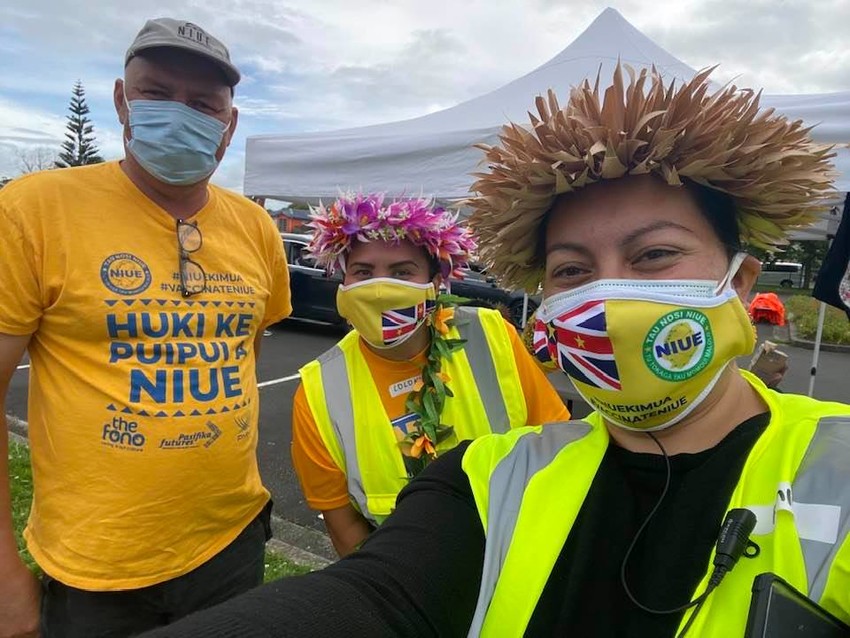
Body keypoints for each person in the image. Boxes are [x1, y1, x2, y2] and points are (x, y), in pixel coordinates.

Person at [143, 67, 850, 638]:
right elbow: (376, 592)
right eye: (572, 270)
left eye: (655, 254)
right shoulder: (488, 478)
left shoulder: (836, 470)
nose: (607, 294)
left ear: (740, 281)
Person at [0, 17, 291, 637]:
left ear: (229, 124)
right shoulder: (33, 210)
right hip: (96, 566)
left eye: (203, 103)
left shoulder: (256, 228)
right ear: (120, 100)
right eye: (156, 93)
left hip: (232, 543)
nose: (178, 113)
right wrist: (3, 578)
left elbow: (246, 356)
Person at [291, 192, 569, 556]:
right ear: (342, 282)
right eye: (362, 272)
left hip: (520, 554)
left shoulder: (492, 336)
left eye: (402, 272)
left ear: (435, 282)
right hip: (406, 581)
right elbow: (344, 528)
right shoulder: (317, 391)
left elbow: (558, 449)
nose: (378, 289)